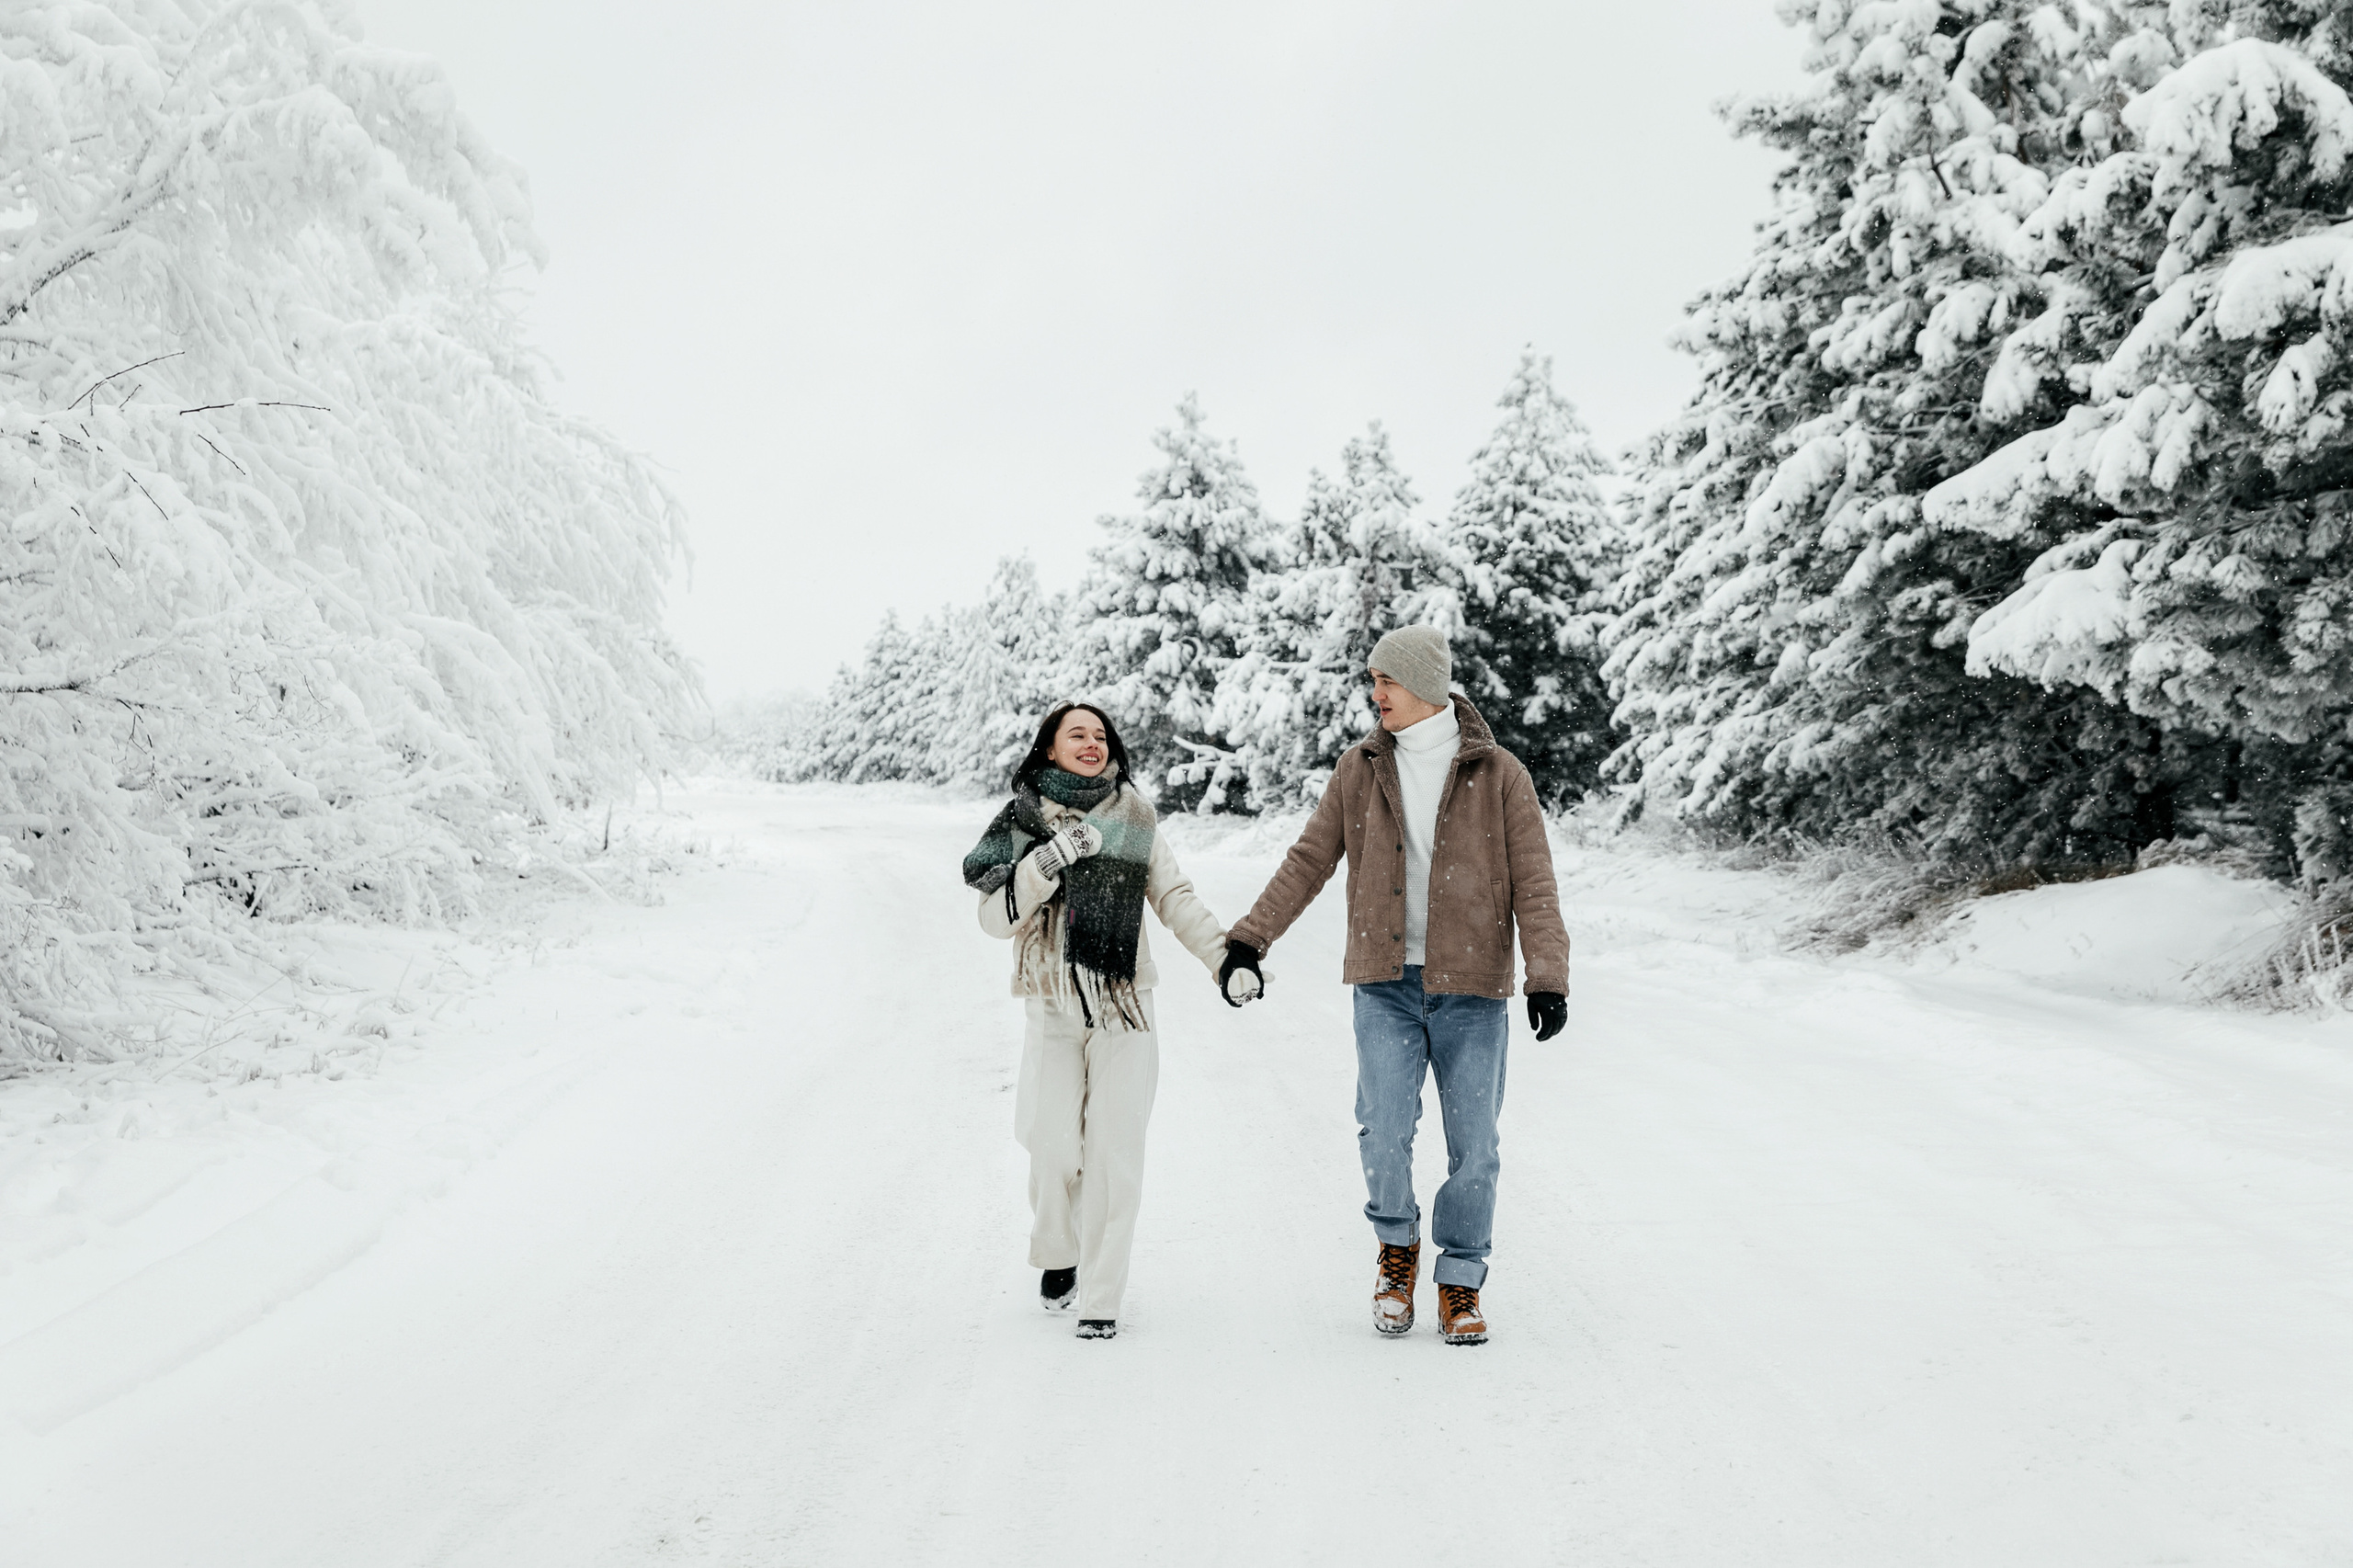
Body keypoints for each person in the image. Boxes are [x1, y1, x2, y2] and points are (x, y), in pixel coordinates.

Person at [1217, 626, 1569, 1346]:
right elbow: (1309, 859)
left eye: (1387, 680)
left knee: (1475, 1144)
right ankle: (1398, 1249)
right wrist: (1249, 939)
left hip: (1473, 989)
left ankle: (1462, 1279)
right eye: (1371, 680)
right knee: (1383, 1132)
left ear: (1426, 685)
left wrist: (1548, 976)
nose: (1374, 694)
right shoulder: (1361, 767)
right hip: (1385, 984)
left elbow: (1534, 882)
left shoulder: (1498, 773)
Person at [962, 701, 1230, 1340]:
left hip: (1123, 1005)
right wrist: (1045, 863)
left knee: (1115, 1154)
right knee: (1051, 1142)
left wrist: (1224, 959)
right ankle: (1058, 1249)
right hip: (1053, 1005)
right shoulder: (1024, 821)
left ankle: (1102, 1296)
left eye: (1101, 735)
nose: (1092, 743)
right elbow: (994, 920)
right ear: (1049, 749)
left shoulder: (1136, 819)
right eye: (1076, 734)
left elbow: (1174, 897)